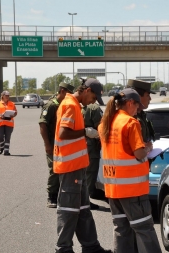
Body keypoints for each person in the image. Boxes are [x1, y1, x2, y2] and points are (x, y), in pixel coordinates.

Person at [98, 88, 162, 253]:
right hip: (132, 189)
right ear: (130, 103)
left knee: (121, 229)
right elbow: (139, 153)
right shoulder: (130, 123)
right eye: (137, 106)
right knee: (144, 229)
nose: (138, 110)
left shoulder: (106, 123)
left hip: (113, 189)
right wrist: (148, 147)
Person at [53, 78, 111, 253]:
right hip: (70, 167)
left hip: (77, 167)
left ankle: (91, 246)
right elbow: (64, 133)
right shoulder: (70, 105)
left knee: (83, 209)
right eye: (93, 97)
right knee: (69, 209)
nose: (93, 101)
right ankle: (63, 248)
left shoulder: (75, 105)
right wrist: (86, 132)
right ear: (86, 90)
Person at [39, 82, 74, 208]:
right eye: (69, 93)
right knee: (54, 170)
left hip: (62, 144)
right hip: (52, 144)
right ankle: (51, 196)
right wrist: (47, 144)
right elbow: (43, 125)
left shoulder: (64, 105)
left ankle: (61, 195)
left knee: (63, 169)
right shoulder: (51, 105)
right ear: (63, 91)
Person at [82, 100, 104, 210]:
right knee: (91, 172)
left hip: (83, 142)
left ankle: (84, 198)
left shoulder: (82, 106)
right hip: (92, 143)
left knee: (86, 172)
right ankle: (85, 201)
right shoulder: (94, 108)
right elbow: (99, 125)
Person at [0, 90, 18, 156]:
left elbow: (15, 112)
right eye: (6, 95)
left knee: (7, 138)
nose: (7, 97)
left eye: (8, 96)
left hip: (9, 124)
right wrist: (0, 116)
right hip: (0, 124)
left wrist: (13, 115)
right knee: (0, 136)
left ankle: (6, 151)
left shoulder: (12, 104)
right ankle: (1, 147)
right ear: (2, 96)